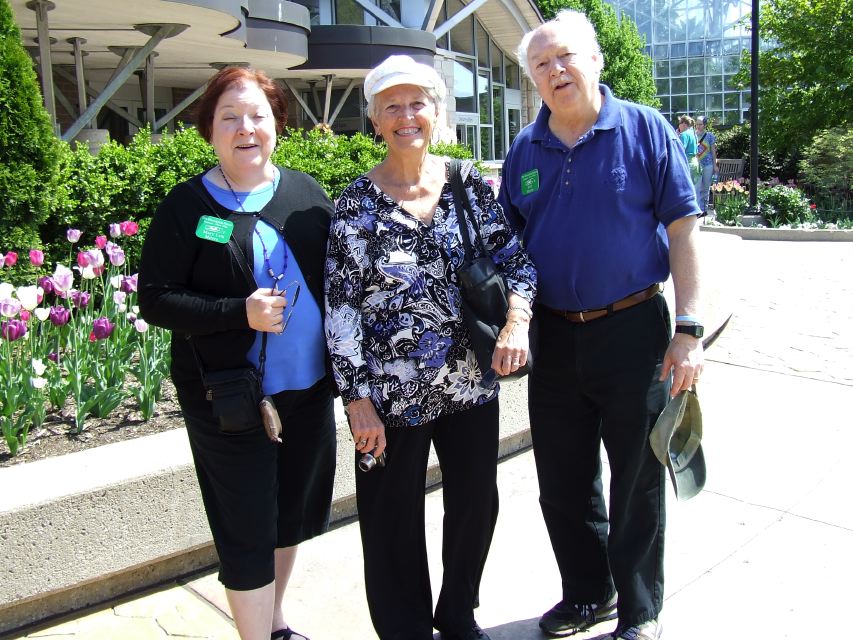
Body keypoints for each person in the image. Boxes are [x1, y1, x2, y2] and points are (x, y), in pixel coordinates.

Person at [499, 10, 703, 640]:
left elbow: (683, 230)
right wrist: (515, 317)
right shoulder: (524, 150)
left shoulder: (642, 129)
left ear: (594, 61)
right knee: (561, 478)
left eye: (566, 57)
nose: (555, 71)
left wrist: (689, 329)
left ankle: (641, 610)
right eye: (541, 64)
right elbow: (510, 245)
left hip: (635, 328)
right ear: (532, 77)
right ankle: (590, 593)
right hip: (555, 335)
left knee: (638, 476)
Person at [324, 54, 536, 640]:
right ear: (374, 120)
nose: (406, 115)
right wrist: (355, 399)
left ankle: (457, 611)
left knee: (474, 506)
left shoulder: (468, 185)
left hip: (471, 383)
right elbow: (340, 311)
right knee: (390, 520)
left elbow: (516, 262)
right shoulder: (354, 206)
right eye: (391, 105)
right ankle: (406, 628)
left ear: (437, 113)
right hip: (390, 399)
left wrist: (516, 324)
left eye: (417, 102)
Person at [138, 66, 337, 640]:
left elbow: (343, 284)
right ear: (209, 130)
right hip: (227, 398)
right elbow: (156, 299)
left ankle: (274, 624)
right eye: (230, 117)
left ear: (278, 124)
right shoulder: (187, 207)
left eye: (258, 115)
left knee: (288, 515)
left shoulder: (305, 196)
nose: (245, 128)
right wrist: (237, 313)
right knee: (245, 524)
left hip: (306, 391)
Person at [695, 115, 719, 215]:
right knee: (697, 187)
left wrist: (715, 165)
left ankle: (704, 209)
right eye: (697, 124)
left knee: (706, 187)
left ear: (705, 125)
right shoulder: (693, 135)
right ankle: (698, 209)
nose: (698, 126)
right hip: (697, 165)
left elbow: (713, 152)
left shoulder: (710, 136)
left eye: (700, 124)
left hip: (708, 164)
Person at [677, 114, 703, 201]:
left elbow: (680, 150)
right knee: (694, 191)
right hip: (695, 163)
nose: (678, 126)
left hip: (687, 163)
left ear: (684, 124)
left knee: (685, 191)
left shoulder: (684, 135)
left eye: (679, 123)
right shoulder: (693, 134)